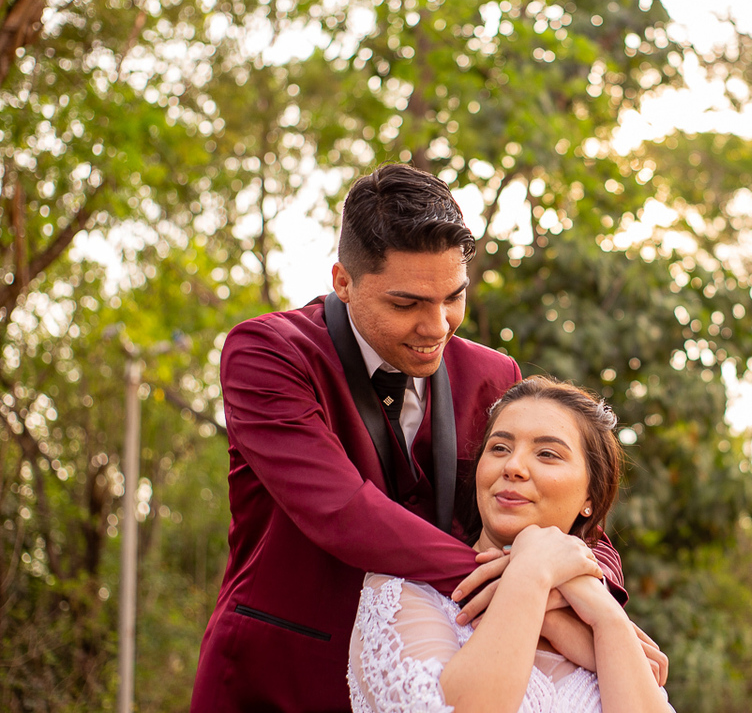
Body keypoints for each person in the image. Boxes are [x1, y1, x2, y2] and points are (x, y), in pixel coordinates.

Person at [191, 165, 626, 711]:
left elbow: (577, 517)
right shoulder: (267, 353)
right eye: (407, 304)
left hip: (439, 678)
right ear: (343, 281)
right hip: (279, 678)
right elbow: (342, 511)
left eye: (453, 297)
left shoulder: (495, 375)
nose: (438, 325)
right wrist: (526, 583)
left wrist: (592, 594)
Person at [349, 376, 672, 713]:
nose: (513, 467)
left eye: (547, 454)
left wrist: (608, 619)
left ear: (590, 496)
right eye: (499, 448)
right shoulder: (404, 594)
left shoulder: (591, 614)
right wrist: (531, 570)